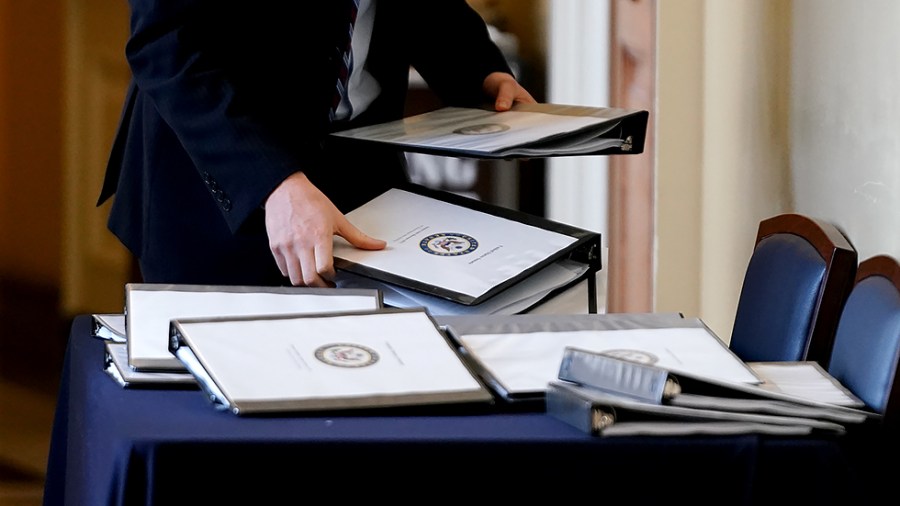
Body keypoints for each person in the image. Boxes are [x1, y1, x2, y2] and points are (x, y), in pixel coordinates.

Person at [98, 0, 536, 288]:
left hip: (365, 177)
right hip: (219, 187)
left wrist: (481, 72)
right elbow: (167, 47)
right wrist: (272, 182)